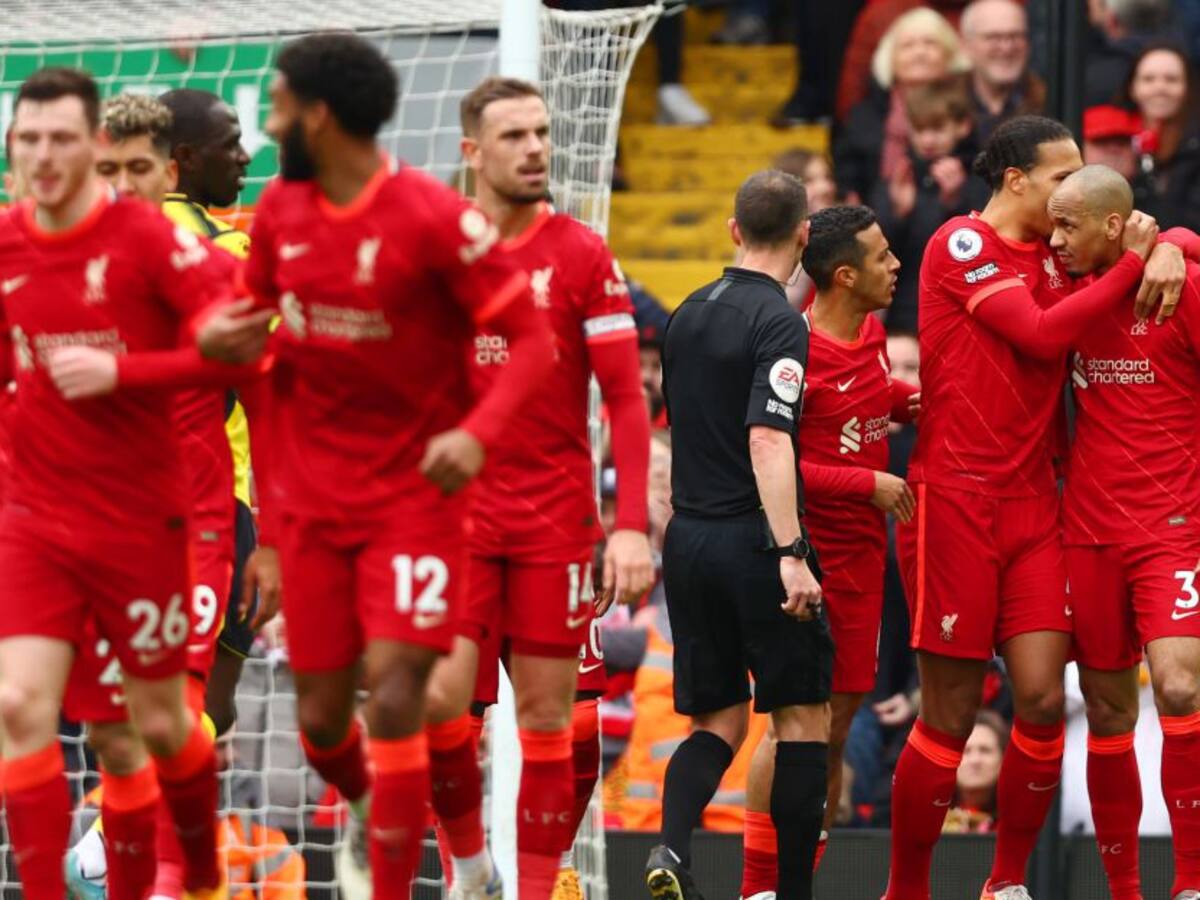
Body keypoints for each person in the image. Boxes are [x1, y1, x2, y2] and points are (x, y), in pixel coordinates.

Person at [196, 33, 555, 899]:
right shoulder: (281, 213)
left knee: (399, 694)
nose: (268, 116)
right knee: (325, 721)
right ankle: (371, 804)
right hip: (314, 508)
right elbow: (253, 335)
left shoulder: (434, 219)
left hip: (415, 506)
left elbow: (534, 341)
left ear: (316, 115)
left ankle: (400, 878)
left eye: (278, 101)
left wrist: (474, 434)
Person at [886, 115, 1185, 900]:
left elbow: (1169, 238)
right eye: (1061, 178)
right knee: (948, 713)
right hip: (953, 500)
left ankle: (1005, 883)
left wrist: (1169, 245)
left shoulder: (1066, 252)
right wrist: (1140, 261)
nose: (1072, 194)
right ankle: (905, 888)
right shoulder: (962, 243)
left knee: (1047, 699)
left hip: (1035, 506)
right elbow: (1045, 337)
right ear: (1016, 179)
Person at [0, 66, 247, 900]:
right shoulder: (7, 243)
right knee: (17, 707)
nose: (44, 155)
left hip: (163, 520)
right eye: (27, 139)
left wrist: (126, 373)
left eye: (62, 139)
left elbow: (254, 353)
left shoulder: (161, 247)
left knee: (140, 733)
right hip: (39, 520)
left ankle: (189, 868)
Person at [420, 76, 653, 900]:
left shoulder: (582, 252)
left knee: (558, 725)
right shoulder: (436, 251)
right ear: (473, 152)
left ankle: (537, 887)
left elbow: (625, 394)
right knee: (443, 718)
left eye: (543, 134)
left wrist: (629, 525)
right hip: (451, 526)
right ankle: (468, 869)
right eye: (515, 136)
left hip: (554, 523)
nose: (535, 150)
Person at [646, 169, 829, 900]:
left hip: (687, 539)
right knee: (801, 717)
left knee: (715, 719)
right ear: (804, 237)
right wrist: (790, 552)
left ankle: (670, 847)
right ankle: (791, 894)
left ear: (733, 231)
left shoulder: (687, 311)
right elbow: (766, 439)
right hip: (753, 540)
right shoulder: (780, 321)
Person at [737, 204, 917, 900]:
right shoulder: (793, 350)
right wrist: (864, 480)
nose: (896, 264)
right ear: (844, 276)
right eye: (882, 256)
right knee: (794, 725)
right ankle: (758, 887)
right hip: (805, 561)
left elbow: (864, 400)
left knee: (838, 729)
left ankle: (795, 885)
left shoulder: (871, 331)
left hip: (866, 561)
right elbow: (766, 460)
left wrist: (905, 401)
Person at [1048, 163, 1200, 900]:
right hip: (1089, 530)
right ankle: (1125, 892)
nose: (1055, 240)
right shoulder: (1064, 293)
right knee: (1109, 708)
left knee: (1177, 685)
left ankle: (1192, 883)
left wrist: (1178, 245)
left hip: (1173, 525)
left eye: (1067, 225)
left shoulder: (1181, 288)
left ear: (1113, 225)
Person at [873, 76, 990, 332]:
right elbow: (876, 256)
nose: (926, 140)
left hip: (960, 316)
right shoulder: (899, 178)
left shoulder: (981, 179)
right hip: (903, 317)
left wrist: (955, 204)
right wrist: (899, 214)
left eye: (937, 129)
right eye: (919, 129)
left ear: (963, 125)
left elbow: (983, 255)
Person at [834, 7, 970, 205]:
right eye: (908, 45)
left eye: (930, 43)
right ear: (889, 59)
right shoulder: (865, 115)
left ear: (950, 54)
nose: (919, 52)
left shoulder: (970, 109)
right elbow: (848, 181)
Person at [1122, 44, 1200, 231]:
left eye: (1171, 79)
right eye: (1148, 79)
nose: (1160, 87)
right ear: (1132, 87)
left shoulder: (1195, 147)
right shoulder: (1115, 141)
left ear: (1187, 87)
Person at [959, 0, 1045, 141]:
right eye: (993, 37)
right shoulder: (940, 105)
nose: (1006, 48)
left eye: (1015, 36)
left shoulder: (1051, 101)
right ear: (966, 45)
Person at [942, 711, 1008, 834]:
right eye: (965, 751)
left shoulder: (1020, 821)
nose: (975, 760)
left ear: (1003, 759)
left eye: (985, 750)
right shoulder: (930, 820)